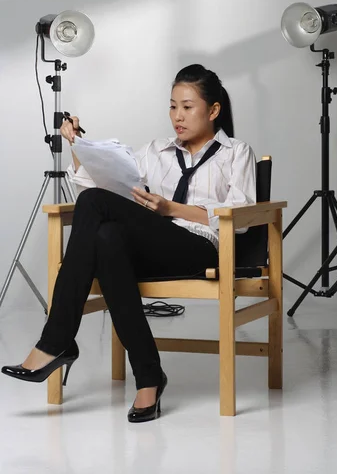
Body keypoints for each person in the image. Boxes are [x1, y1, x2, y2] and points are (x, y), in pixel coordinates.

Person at [2, 64, 256, 422]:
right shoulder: (155, 151)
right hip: (153, 247)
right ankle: (149, 377)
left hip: (199, 247)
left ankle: (56, 339)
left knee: (95, 208)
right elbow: (102, 187)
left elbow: (241, 214)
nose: (177, 117)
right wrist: (79, 148)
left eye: (187, 107)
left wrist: (172, 208)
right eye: (172, 107)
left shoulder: (236, 152)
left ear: (213, 110)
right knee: (106, 235)